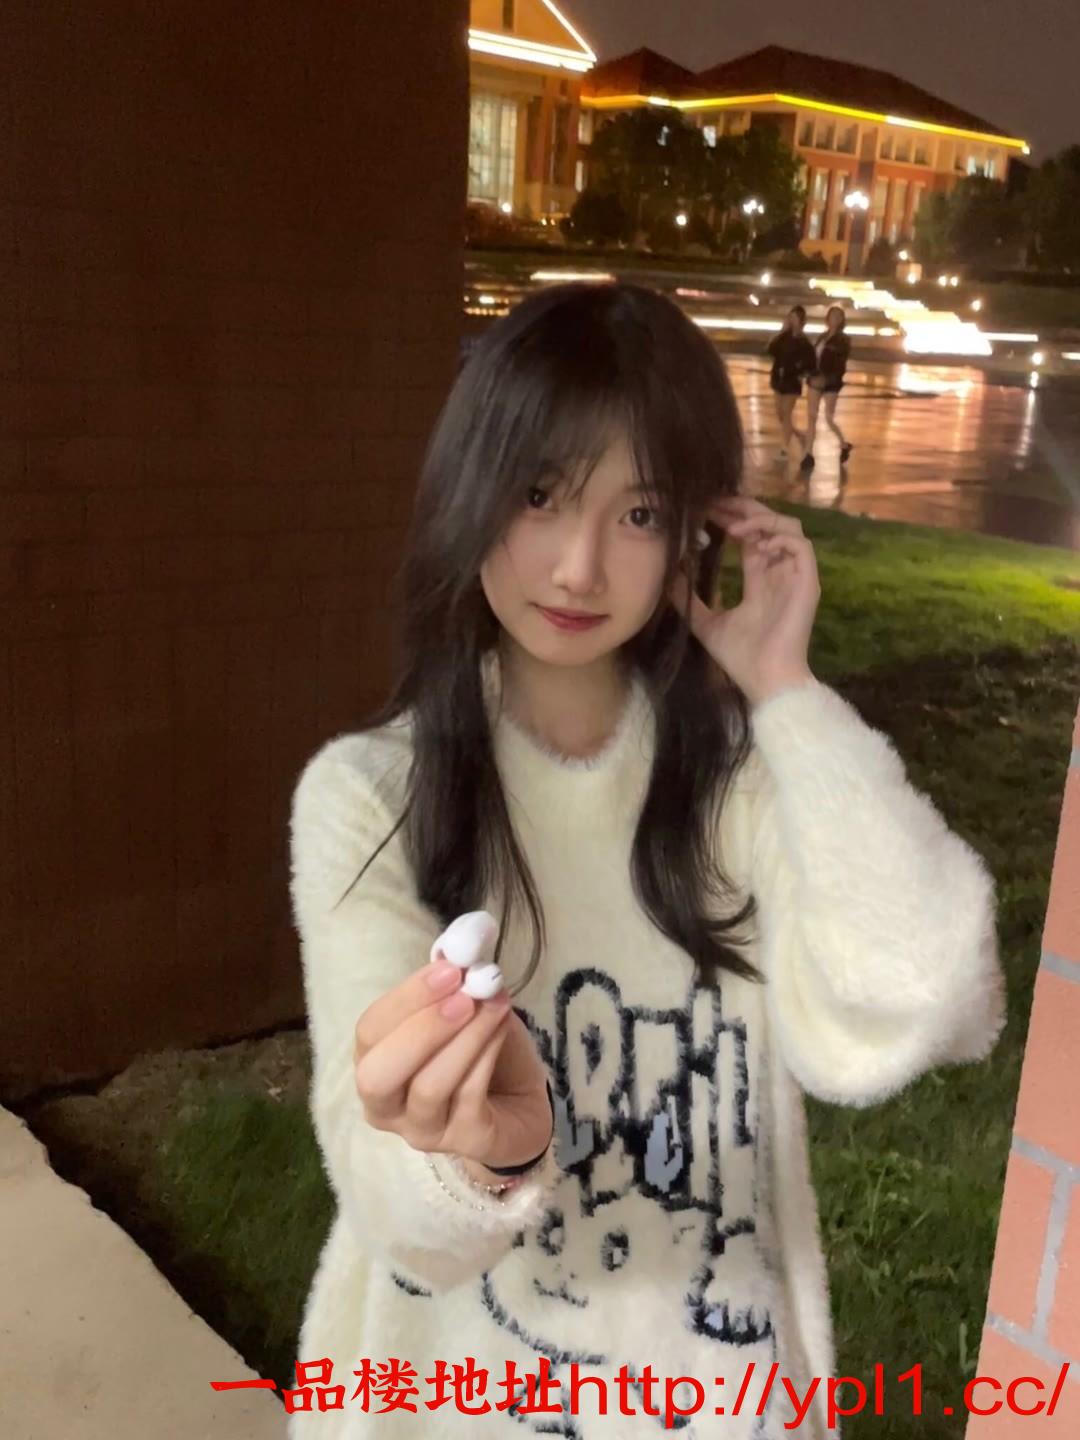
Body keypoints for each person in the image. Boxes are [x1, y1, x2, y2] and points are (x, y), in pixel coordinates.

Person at [288, 282, 1004, 1439]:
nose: (578, 568)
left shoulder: (740, 781)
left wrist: (786, 691)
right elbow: (395, 1213)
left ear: (695, 533)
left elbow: (923, 993)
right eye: (539, 495)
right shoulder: (371, 797)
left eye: (636, 513)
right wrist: (476, 1154)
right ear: (472, 487)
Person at [801, 306, 853, 473]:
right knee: (811, 417)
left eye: (838, 316)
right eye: (832, 316)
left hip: (831, 382)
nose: (834, 319)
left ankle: (843, 444)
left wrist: (828, 376)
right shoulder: (822, 337)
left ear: (842, 320)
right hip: (815, 379)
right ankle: (808, 454)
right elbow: (814, 357)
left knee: (829, 417)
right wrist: (809, 372)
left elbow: (839, 362)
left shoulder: (843, 340)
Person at [766, 306, 816, 459]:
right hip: (778, 379)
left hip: (792, 382)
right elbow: (771, 350)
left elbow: (810, 363)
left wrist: (800, 372)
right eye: (790, 317)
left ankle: (784, 448)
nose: (791, 320)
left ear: (801, 321)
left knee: (786, 413)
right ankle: (799, 435)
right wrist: (781, 331)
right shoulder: (783, 337)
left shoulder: (804, 343)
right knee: (780, 414)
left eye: (794, 317)